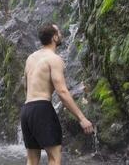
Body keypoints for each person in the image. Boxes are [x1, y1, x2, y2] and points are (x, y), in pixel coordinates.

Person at [21, 22, 94, 165]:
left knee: (32, 159)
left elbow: (26, 86)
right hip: (42, 108)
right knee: (54, 157)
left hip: (27, 110)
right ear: (54, 38)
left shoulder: (30, 58)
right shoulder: (54, 59)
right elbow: (62, 92)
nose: (61, 35)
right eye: (59, 33)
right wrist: (82, 118)